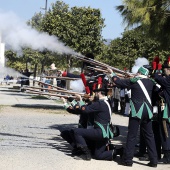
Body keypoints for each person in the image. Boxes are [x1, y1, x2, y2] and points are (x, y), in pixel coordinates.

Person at [107, 66, 158, 167]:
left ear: (139, 72)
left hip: (137, 111)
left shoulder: (134, 81)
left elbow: (118, 82)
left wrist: (112, 73)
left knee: (132, 135)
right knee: (149, 136)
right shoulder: (151, 82)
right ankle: (154, 161)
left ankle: (128, 160)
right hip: (148, 111)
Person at [72, 83, 123, 161]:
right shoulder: (107, 101)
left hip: (100, 131)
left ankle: (86, 154)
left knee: (77, 132)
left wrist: (80, 100)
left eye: (95, 92)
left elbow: (85, 110)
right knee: (98, 155)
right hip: (105, 132)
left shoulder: (100, 103)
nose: (94, 94)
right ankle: (119, 151)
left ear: (99, 93)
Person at [154, 57, 170, 164]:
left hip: (167, 111)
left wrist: (156, 70)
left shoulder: (168, 80)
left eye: (165, 69)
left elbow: (157, 78)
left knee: (165, 132)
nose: (165, 71)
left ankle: (167, 155)